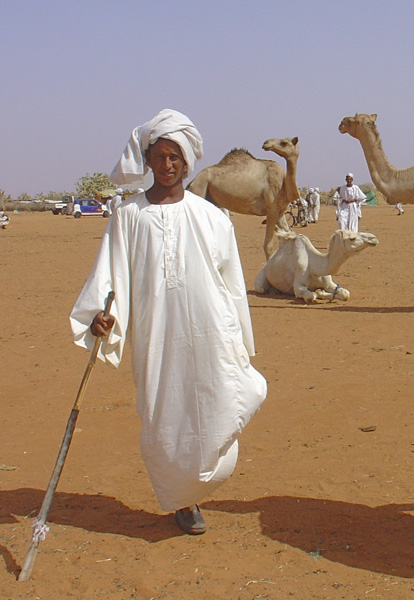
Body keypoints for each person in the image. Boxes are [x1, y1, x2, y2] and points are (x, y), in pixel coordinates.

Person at [70, 109, 268, 535]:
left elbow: (233, 284)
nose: (166, 164)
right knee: (165, 416)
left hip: (210, 332)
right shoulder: (128, 217)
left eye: (174, 156)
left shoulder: (212, 218)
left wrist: (241, 339)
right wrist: (100, 317)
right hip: (156, 336)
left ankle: (200, 482)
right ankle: (184, 500)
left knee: (221, 400)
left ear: (187, 161)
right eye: (158, 156)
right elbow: (110, 277)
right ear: (147, 161)